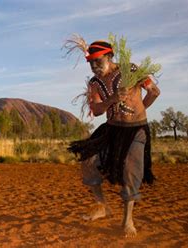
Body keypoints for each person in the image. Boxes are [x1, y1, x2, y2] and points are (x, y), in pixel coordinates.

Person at [66, 39, 161, 237]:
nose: (94, 67)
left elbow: (154, 91)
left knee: (130, 170)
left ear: (109, 57)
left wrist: (139, 109)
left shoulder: (132, 70)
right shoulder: (94, 83)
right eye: (91, 64)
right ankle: (102, 206)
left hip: (135, 130)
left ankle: (128, 220)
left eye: (98, 62)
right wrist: (112, 100)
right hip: (111, 129)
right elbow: (96, 110)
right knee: (88, 159)